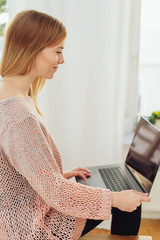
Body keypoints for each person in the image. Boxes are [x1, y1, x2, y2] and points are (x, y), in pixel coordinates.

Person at [0, 10, 151, 240]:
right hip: (33, 228)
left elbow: (14, 173)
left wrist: (54, 174)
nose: (62, 60)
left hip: (21, 215)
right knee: (130, 198)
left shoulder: (9, 96)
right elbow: (57, 194)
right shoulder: (20, 118)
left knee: (121, 193)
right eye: (58, 52)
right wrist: (116, 199)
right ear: (31, 47)